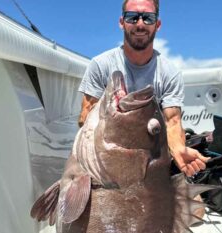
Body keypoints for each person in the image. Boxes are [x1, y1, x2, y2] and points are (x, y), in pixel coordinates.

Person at [78, 0, 208, 176]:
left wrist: (178, 148)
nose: (140, 24)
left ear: (158, 25)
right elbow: (85, 119)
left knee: (195, 203)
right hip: (107, 158)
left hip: (153, 159)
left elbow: (173, 121)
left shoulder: (170, 73)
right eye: (132, 17)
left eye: (148, 18)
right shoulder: (100, 65)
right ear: (121, 22)